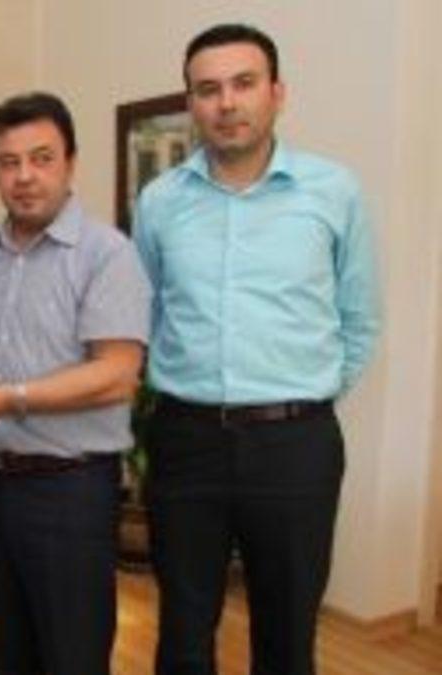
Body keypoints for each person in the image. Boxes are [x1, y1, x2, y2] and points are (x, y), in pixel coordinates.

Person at [134, 23, 381, 675]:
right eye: (208, 89)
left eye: (243, 83)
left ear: (277, 92)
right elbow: (147, 313)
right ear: (191, 103)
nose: (227, 103)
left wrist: (301, 397)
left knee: (288, 634)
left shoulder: (334, 191)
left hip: (295, 447)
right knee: (183, 633)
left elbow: (359, 319)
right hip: (186, 441)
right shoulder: (159, 202)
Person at [0, 92, 152, 675]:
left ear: (70, 163)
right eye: (8, 162)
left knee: (71, 655)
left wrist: (10, 398)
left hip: (70, 489)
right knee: (0, 651)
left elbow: (117, 374)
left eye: (41, 158)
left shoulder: (108, 255)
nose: (25, 176)